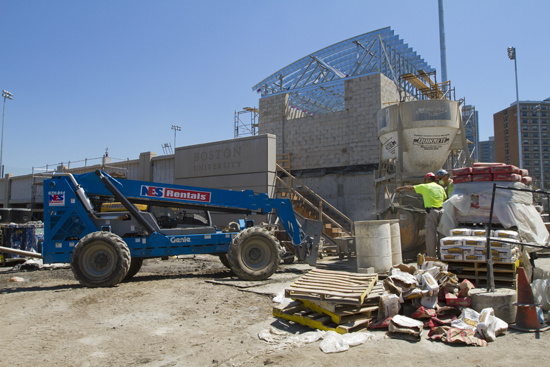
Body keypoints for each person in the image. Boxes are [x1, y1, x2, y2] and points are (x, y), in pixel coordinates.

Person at [395, 172, 447, 258]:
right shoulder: (440, 188)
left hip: (432, 212)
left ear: (427, 179)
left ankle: (431, 257)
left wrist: (400, 188)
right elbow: (444, 198)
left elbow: (410, 187)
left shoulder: (425, 186)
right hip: (442, 211)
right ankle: (442, 256)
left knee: (431, 235)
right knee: (441, 234)